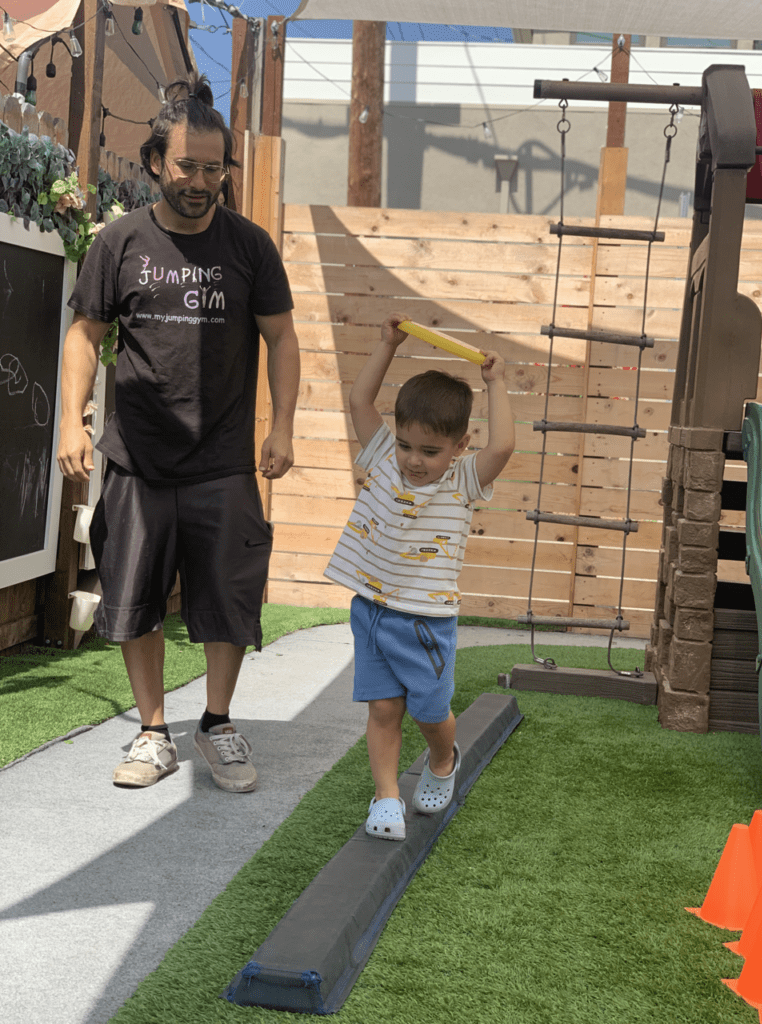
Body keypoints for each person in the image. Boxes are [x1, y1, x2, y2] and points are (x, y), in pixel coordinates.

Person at [56, 74, 300, 792]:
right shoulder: (120, 241)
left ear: (226, 168)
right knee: (134, 596)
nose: (200, 181)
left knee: (229, 598)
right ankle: (153, 732)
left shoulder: (250, 247)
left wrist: (281, 425)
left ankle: (217, 725)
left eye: (213, 167)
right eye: (187, 166)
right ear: (156, 162)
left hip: (223, 457)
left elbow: (282, 340)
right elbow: (84, 331)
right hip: (136, 455)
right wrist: (71, 417)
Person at [324, 313, 515, 840]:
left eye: (430, 451)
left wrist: (495, 383)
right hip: (372, 610)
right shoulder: (384, 457)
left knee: (431, 714)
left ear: (459, 444)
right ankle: (386, 798)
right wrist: (387, 344)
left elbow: (501, 448)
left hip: (427, 622)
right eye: (407, 444)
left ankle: (441, 758)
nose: (413, 460)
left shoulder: (463, 480)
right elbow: (360, 403)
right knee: (384, 708)